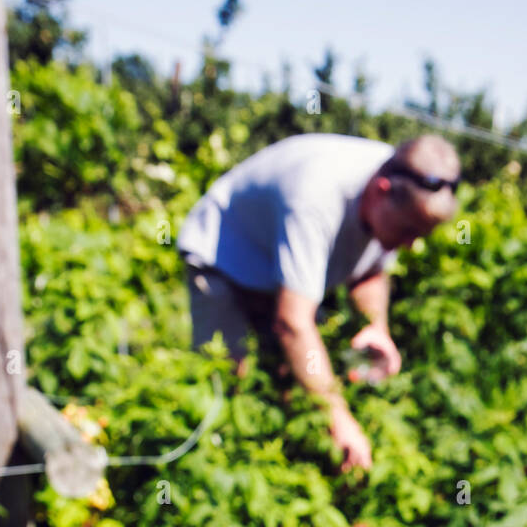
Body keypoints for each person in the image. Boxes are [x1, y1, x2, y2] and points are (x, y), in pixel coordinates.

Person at [177, 133, 460, 471]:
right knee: (226, 381)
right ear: (381, 191)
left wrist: (376, 326)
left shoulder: (404, 179)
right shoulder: (315, 196)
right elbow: (292, 322)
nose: (410, 245)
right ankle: (210, 467)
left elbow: (370, 270)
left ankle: (274, 468)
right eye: (408, 231)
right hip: (223, 257)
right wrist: (339, 418)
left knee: (287, 380)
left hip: (276, 271)